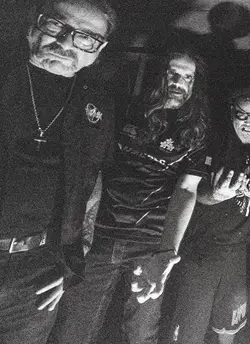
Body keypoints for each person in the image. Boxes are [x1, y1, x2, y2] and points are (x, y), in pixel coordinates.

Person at [0, 0, 117, 343]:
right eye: (56, 25)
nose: (67, 42)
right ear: (32, 25)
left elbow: (91, 185)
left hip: (36, 277)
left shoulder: (97, 108)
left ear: (98, 51)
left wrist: (75, 257)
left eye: (87, 38)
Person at [51, 45, 211, 344]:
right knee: (74, 329)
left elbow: (187, 190)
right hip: (99, 237)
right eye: (173, 73)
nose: (179, 82)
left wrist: (165, 252)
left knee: (141, 333)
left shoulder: (194, 131)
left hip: (149, 243)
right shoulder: (125, 109)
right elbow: (92, 169)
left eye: (188, 77)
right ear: (158, 75)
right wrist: (76, 235)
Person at [168, 87, 250, 344]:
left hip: (238, 252)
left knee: (228, 327)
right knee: (189, 329)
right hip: (203, 249)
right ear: (231, 113)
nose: (248, 122)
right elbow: (194, 191)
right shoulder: (212, 142)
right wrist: (216, 194)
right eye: (242, 114)